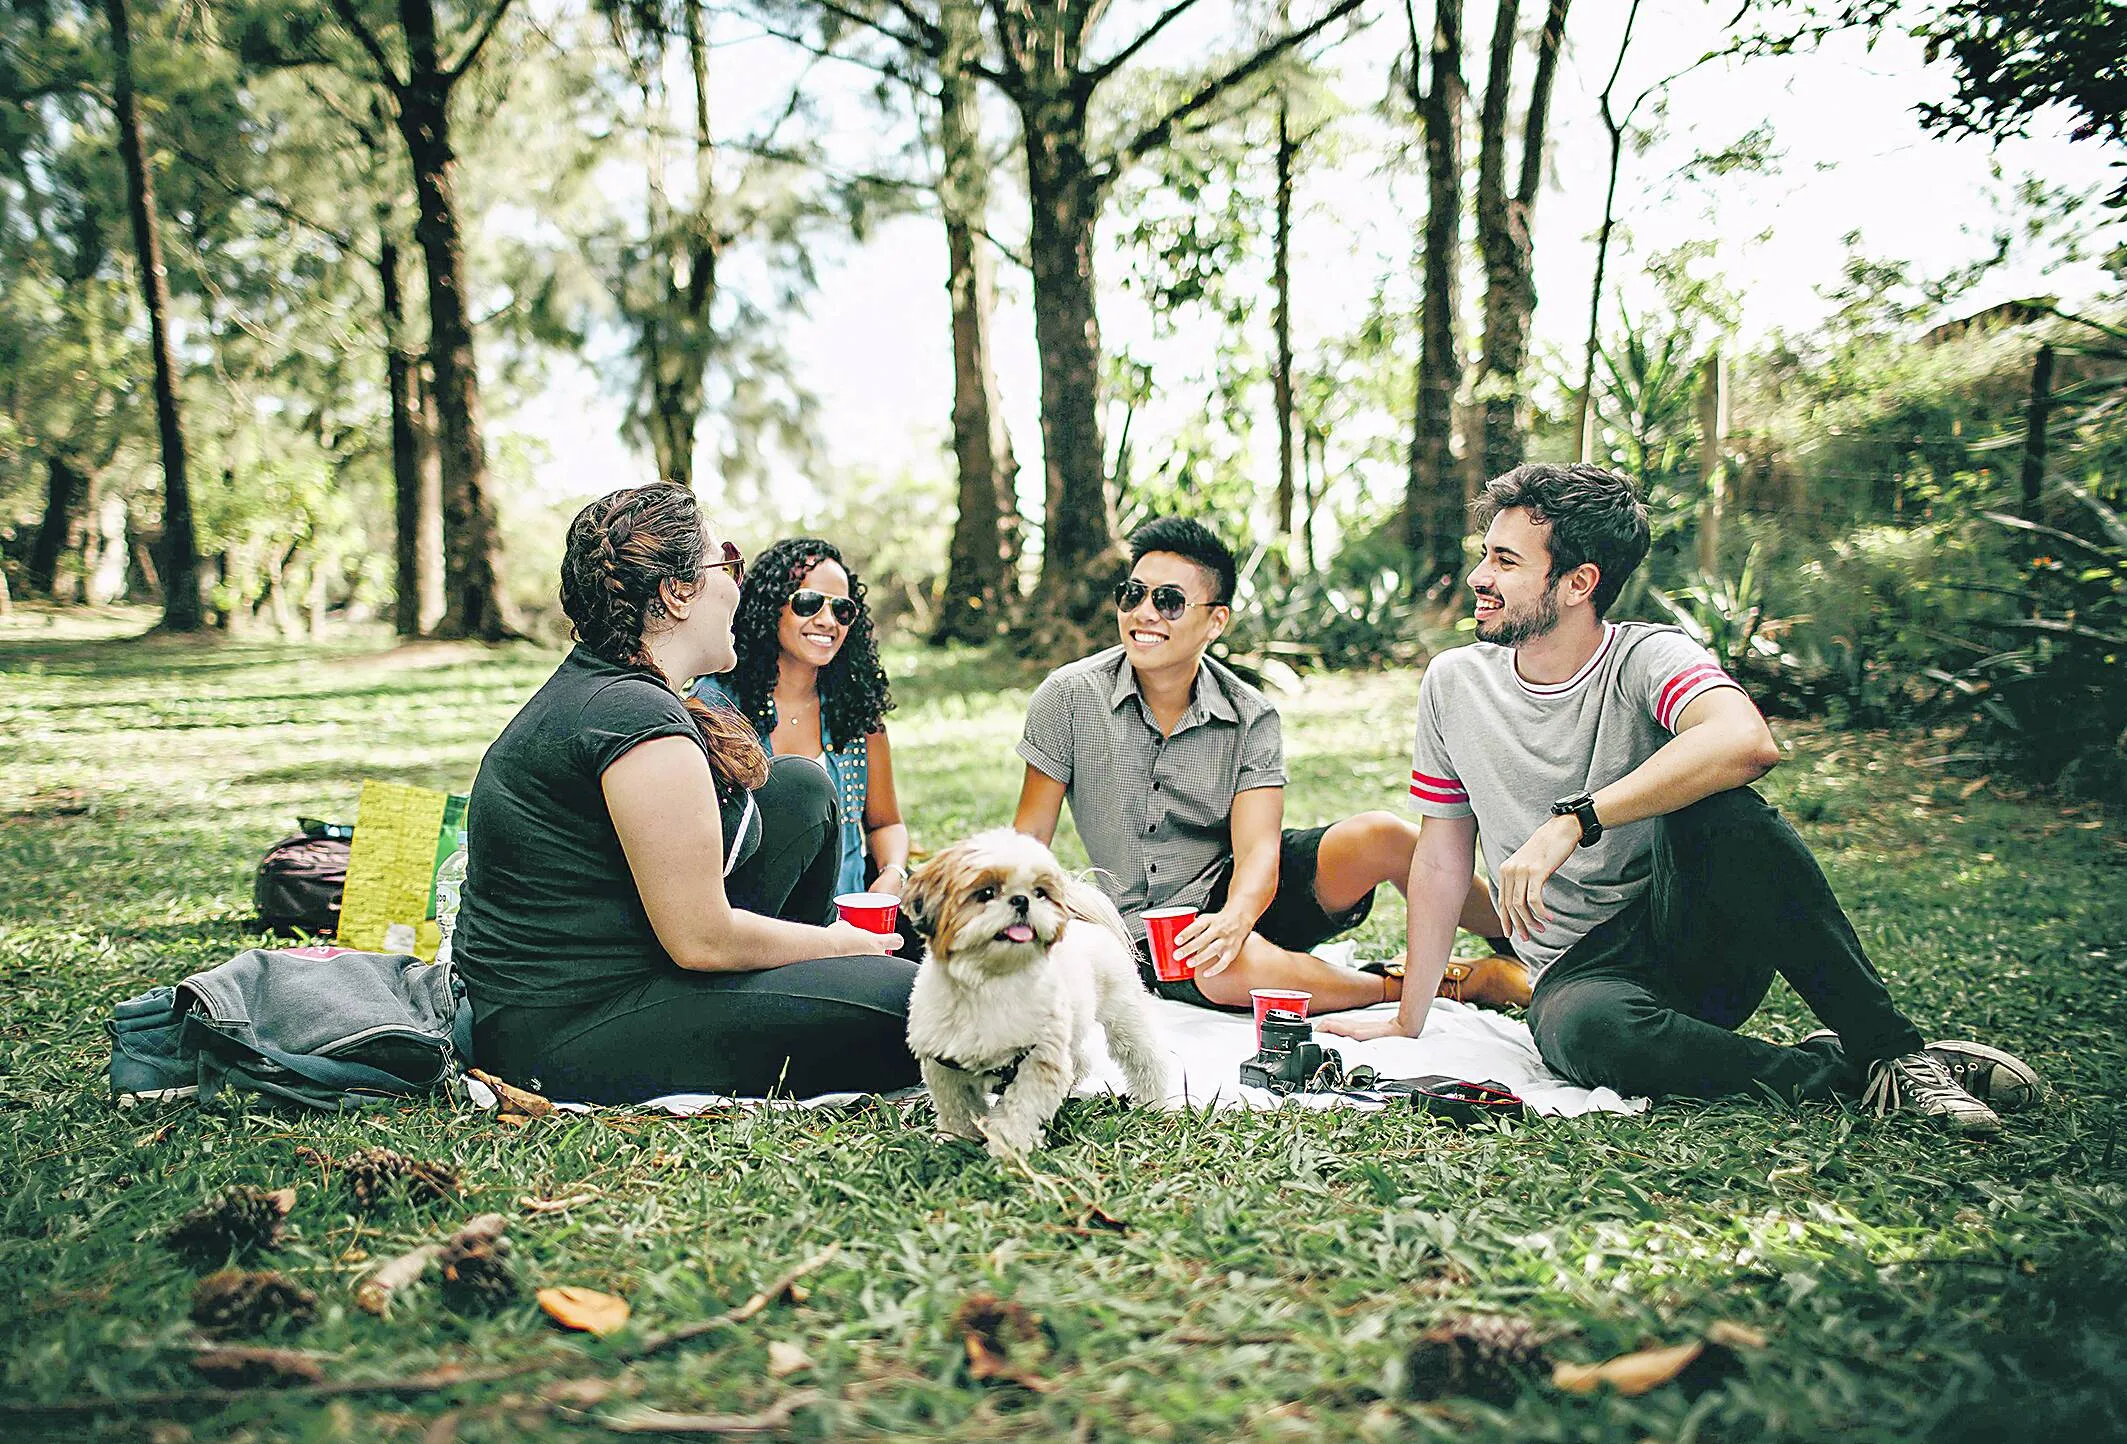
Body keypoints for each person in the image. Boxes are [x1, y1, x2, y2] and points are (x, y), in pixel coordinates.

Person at [1321, 462, 2041, 1136]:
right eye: (1486, 553)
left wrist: (1577, 820)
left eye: (1505, 562)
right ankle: (1851, 1072)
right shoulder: (1454, 683)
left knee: (1720, 806)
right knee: (1583, 1035)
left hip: (1694, 937)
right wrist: (1407, 1018)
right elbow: (1442, 856)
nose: (1479, 576)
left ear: (1578, 583)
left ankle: (1894, 1048)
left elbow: (1745, 740)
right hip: (1582, 979)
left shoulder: (1646, 656)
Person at [453, 485, 919, 1105]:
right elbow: (701, 939)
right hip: (563, 1028)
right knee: (918, 1007)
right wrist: (841, 944)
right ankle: (829, 984)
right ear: (677, 592)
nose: (738, 586)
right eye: (726, 562)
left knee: (801, 790)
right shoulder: (635, 719)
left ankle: (816, 985)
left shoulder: (618, 688)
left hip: (633, 964)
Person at [1012, 516, 1527, 1015]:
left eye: (1168, 601)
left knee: (1384, 835)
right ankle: (1438, 984)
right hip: (1154, 931)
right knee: (1224, 969)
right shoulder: (1069, 697)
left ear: (1216, 620)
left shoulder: (1249, 714)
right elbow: (1029, 838)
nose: (1144, 613)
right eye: (1133, 594)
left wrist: (1236, 917)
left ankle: (1527, 946)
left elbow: (1259, 850)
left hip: (1247, 888)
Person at [691, 538, 911, 910]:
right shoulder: (716, 706)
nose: (827, 621)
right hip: (757, 928)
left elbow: (885, 823)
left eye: (842, 610)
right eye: (809, 603)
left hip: (848, 924)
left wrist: (893, 874)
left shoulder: (856, 710)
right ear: (770, 607)